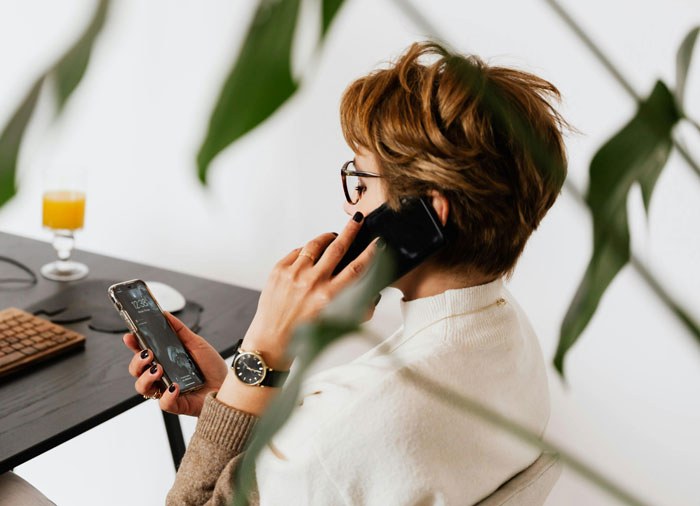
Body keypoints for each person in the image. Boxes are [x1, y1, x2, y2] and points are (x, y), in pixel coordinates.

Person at [123, 41, 568, 505]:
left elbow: (329, 452)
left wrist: (263, 347)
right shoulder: (510, 337)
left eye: (361, 181)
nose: (348, 204)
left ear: (428, 214)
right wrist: (236, 393)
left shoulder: (335, 434)